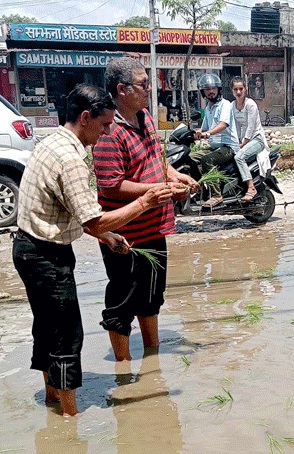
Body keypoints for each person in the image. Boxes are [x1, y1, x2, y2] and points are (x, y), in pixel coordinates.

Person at [13, 84, 173, 416]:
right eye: (104, 125)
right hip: (46, 256)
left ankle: (52, 397)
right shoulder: (70, 158)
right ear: (85, 118)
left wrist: (109, 235)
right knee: (66, 334)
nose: (107, 132)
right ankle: (69, 417)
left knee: (46, 326)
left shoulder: (53, 142)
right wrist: (145, 201)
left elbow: (73, 211)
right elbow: (94, 220)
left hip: (27, 248)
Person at [93, 57, 198, 363]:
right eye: (143, 84)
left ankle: (152, 359)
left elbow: (156, 157)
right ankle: (124, 367)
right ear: (121, 89)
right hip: (125, 234)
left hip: (154, 226)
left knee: (152, 296)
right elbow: (110, 186)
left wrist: (173, 176)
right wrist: (152, 192)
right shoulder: (108, 130)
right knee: (123, 299)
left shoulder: (146, 117)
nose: (149, 89)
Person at [192, 73, 241, 208]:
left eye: (213, 88)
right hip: (214, 147)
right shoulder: (208, 107)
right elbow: (204, 128)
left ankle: (216, 195)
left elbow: (222, 125)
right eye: (207, 89)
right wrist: (194, 133)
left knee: (207, 160)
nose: (211, 91)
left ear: (219, 89)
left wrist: (207, 134)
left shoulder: (225, 105)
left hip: (228, 147)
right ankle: (200, 190)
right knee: (190, 157)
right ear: (203, 92)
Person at [231, 76, 268, 201]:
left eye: (241, 89)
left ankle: (251, 187)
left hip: (256, 139)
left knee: (239, 157)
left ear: (245, 89)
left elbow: (251, 127)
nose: (238, 92)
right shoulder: (232, 105)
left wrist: (243, 143)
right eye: (235, 89)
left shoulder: (251, 104)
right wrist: (236, 141)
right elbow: (235, 126)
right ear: (232, 91)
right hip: (243, 140)